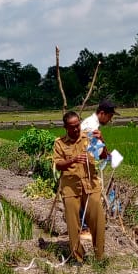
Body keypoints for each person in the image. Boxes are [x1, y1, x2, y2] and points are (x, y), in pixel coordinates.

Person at [53, 110, 106, 263]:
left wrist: (102, 141)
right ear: (65, 127)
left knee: (98, 221)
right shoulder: (60, 143)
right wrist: (73, 160)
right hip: (71, 188)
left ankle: (100, 257)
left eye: (77, 126)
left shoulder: (89, 138)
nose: (76, 129)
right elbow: (58, 165)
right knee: (73, 224)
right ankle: (78, 258)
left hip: (91, 185)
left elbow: (103, 156)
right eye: (72, 127)